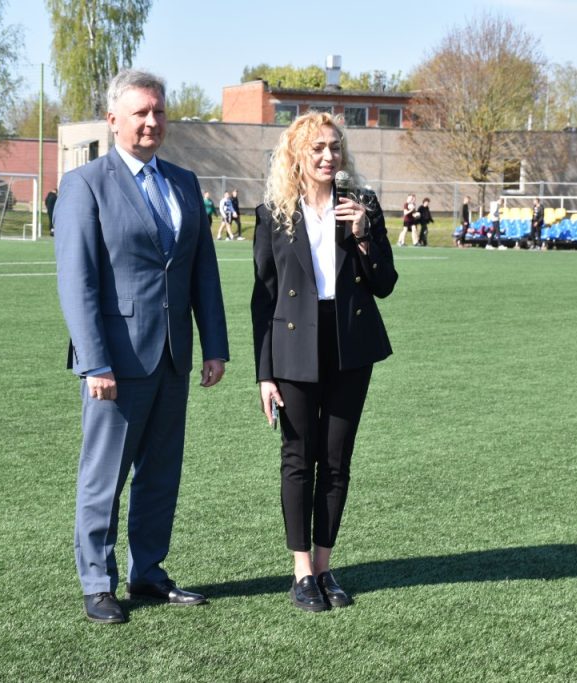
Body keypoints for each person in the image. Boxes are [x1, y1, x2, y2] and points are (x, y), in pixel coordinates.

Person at [53, 69, 229, 625]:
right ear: (112, 121)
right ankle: (97, 582)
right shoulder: (86, 185)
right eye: (140, 113)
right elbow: (76, 281)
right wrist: (95, 360)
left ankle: (148, 572)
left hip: (173, 356)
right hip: (117, 363)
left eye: (158, 111)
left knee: (160, 475)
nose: (152, 121)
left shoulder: (183, 180)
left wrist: (214, 346)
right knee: (104, 476)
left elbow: (203, 271)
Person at [251, 112, 398, 613]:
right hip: (293, 345)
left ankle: (324, 565)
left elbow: (384, 284)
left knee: (336, 462)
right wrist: (264, 373)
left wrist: (362, 235)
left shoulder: (364, 205)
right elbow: (263, 297)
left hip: (349, 345)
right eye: (317, 148)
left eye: (334, 147)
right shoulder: (274, 210)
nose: (327, 156)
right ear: (297, 153)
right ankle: (299, 573)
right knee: (298, 458)